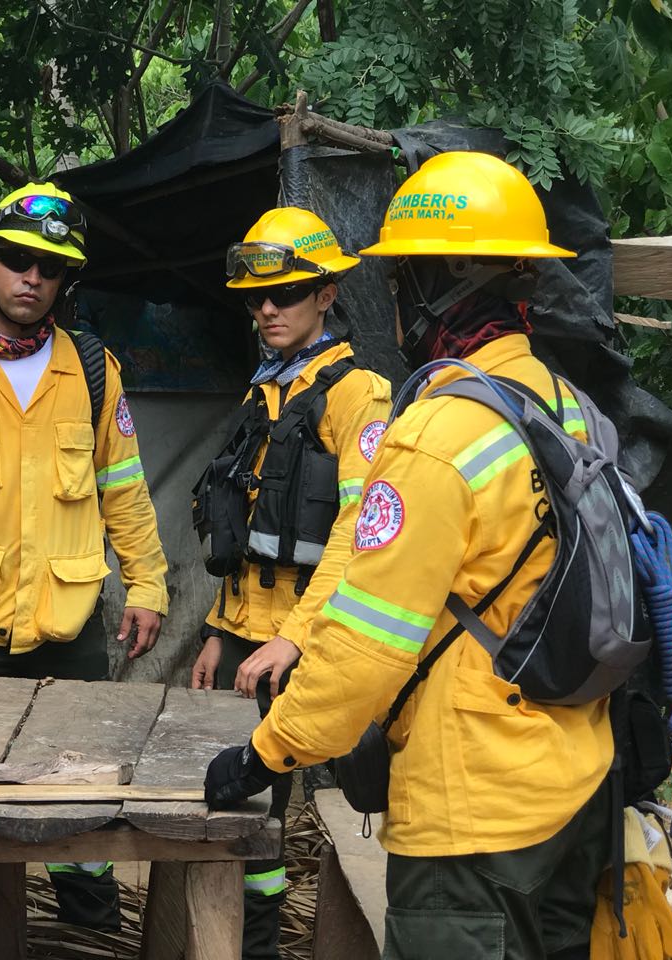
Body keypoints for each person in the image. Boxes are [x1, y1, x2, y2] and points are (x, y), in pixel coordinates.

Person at [204, 152, 615, 960]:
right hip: (578, 791)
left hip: (474, 816)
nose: (392, 301)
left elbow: (366, 642)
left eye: (398, 281)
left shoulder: (433, 434)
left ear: (430, 285)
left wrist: (265, 753)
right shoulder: (568, 408)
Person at [0, 181, 169, 957]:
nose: (30, 278)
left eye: (49, 267)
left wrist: (146, 584)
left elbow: (124, 487)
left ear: (65, 280)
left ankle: (87, 942)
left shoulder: (92, 368)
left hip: (68, 634)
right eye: (15, 259)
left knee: (82, 821)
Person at [189, 207, 391, 960]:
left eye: (287, 293)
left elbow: (357, 531)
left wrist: (293, 637)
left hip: (302, 642)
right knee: (239, 808)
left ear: (328, 295)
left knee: (277, 809)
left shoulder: (357, 395)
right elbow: (243, 530)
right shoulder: (265, 392)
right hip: (247, 635)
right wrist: (217, 627)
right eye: (255, 298)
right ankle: (231, 940)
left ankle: (263, 946)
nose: (267, 309)